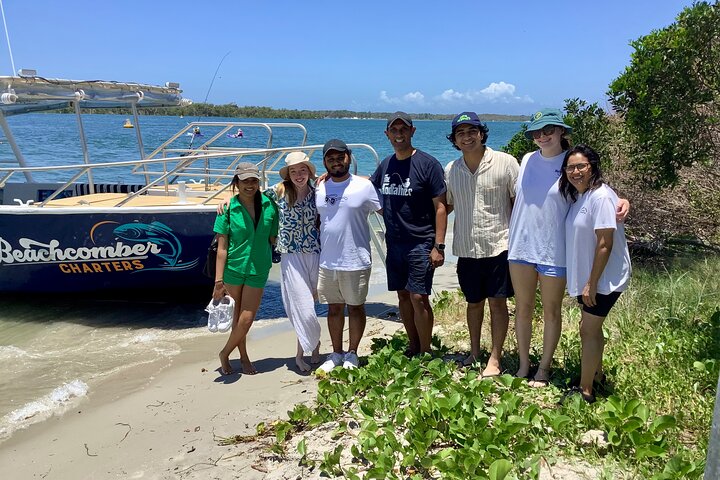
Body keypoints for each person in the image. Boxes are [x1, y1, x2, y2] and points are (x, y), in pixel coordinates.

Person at [508, 109, 629, 387]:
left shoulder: (571, 162)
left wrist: (622, 200)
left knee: (551, 312)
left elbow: (596, 190)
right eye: (536, 132)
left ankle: (544, 369)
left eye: (548, 129)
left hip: (554, 251)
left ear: (561, 131)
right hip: (520, 248)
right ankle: (524, 365)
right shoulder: (526, 159)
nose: (542, 136)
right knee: (522, 309)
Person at [444, 112, 518, 376]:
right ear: (454, 139)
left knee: (498, 304)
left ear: (481, 133)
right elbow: (446, 205)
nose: (467, 137)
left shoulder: (506, 163)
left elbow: (519, 202)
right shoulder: (451, 170)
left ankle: (495, 359)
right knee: (473, 303)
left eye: (471, 131)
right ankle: (475, 352)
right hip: (466, 248)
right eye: (461, 133)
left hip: (500, 245)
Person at [370, 112, 448, 356]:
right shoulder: (386, 164)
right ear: (387, 134)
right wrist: (332, 178)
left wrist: (439, 246)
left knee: (418, 297)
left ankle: (426, 352)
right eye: (394, 130)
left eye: (404, 129)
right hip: (394, 243)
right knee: (403, 295)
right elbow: (368, 187)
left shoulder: (428, 163)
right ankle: (412, 346)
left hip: (421, 242)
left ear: (412, 132)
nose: (399, 134)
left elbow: (441, 207)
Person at [560, 144, 631, 402]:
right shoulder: (581, 196)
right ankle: (597, 375)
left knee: (588, 330)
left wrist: (591, 282)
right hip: (591, 277)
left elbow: (605, 243)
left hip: (604, 278)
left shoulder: (600, 196)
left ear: (592, 167)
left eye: (581, 166)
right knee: (590, 327)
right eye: (570, 167)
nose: (575, 171)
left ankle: (585, 389)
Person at [315, 139, 381, 373]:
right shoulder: (319, 186)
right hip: (327, 261)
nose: (336, 162)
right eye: (330, 159)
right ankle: (336, 352)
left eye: (340, 157)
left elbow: (387, 211)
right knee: (333, 309)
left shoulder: (363, 186)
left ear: (349, 157)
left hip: (356, 259)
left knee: (355, 307)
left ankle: (353, 353)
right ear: (324, 162)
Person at [213, 162, 279, 375]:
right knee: (236, 318)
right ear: (236, 183)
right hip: (234, 267)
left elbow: (273, 237)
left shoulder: (270, 205)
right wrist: (218, 281)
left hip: (258, 267)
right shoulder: (228, 208)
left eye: (254, 180)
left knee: (247, 318)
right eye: (245, 181)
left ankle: (224, 352)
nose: (250, 185)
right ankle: (243, 356)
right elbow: (221, 249)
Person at [264, 151, 322, 372]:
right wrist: (227, 200)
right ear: (288, 174)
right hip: (290, 255)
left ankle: (314, 346)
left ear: (309, 171)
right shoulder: (278, 191)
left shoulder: (318, 192)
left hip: (315, 253)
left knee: (313, 303)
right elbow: (250, 197)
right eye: (294, 171)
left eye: (303, 170)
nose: (299, 175)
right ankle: (300, 355)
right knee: (302, 306)